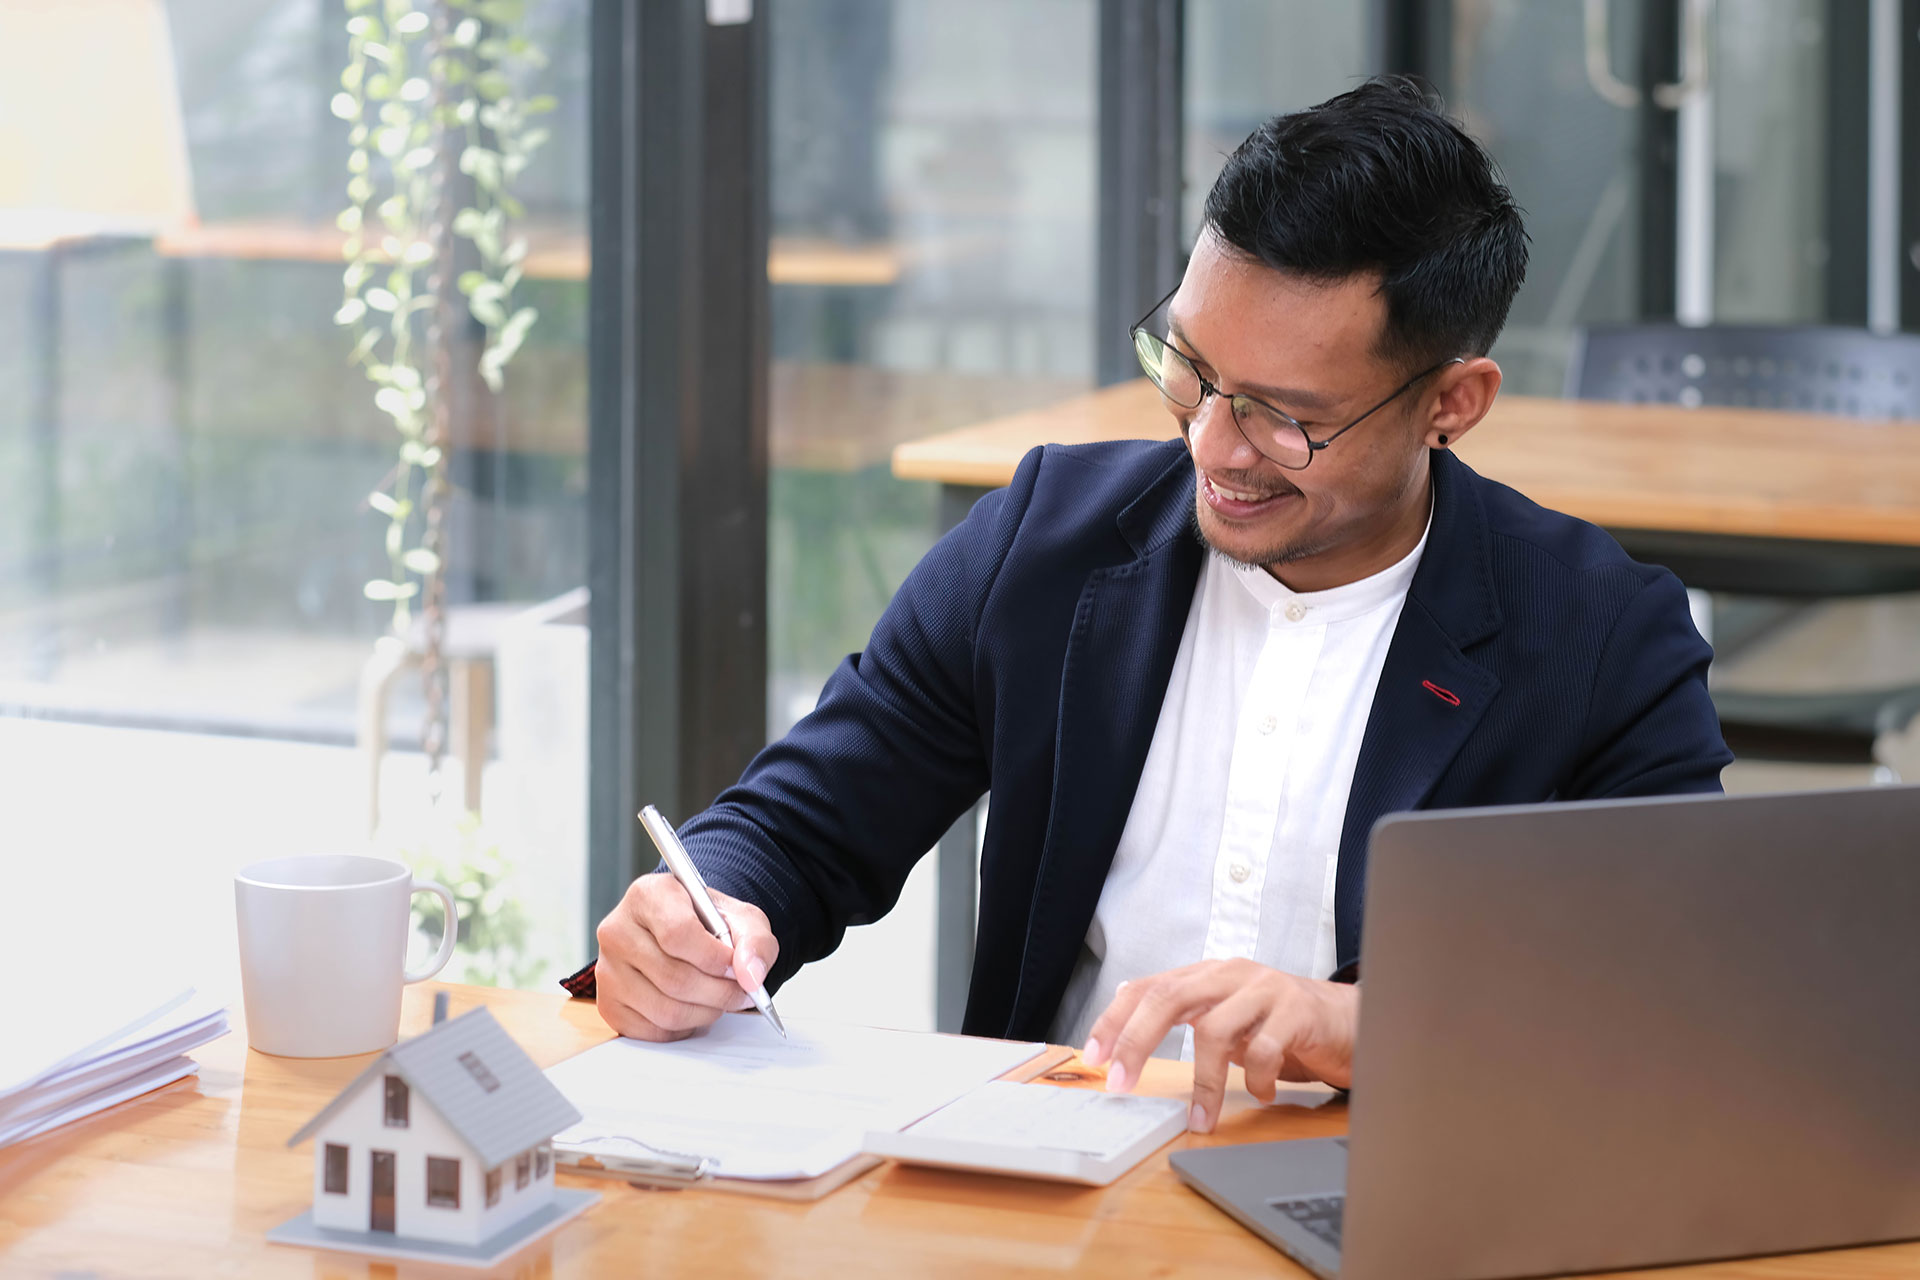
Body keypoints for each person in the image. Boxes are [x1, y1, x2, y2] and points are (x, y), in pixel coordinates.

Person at [585, 76, 1731, 1134]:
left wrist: (1369, 1024)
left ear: (1453, 404)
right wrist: (701, 910)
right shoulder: (1045, 543)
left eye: (1287, 415)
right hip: (1049, 1180)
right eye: (1190, 368)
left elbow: (1674, 996)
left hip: (1393, 1194)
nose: (1211, 446)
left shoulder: (1600, 636)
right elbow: (803, 824)